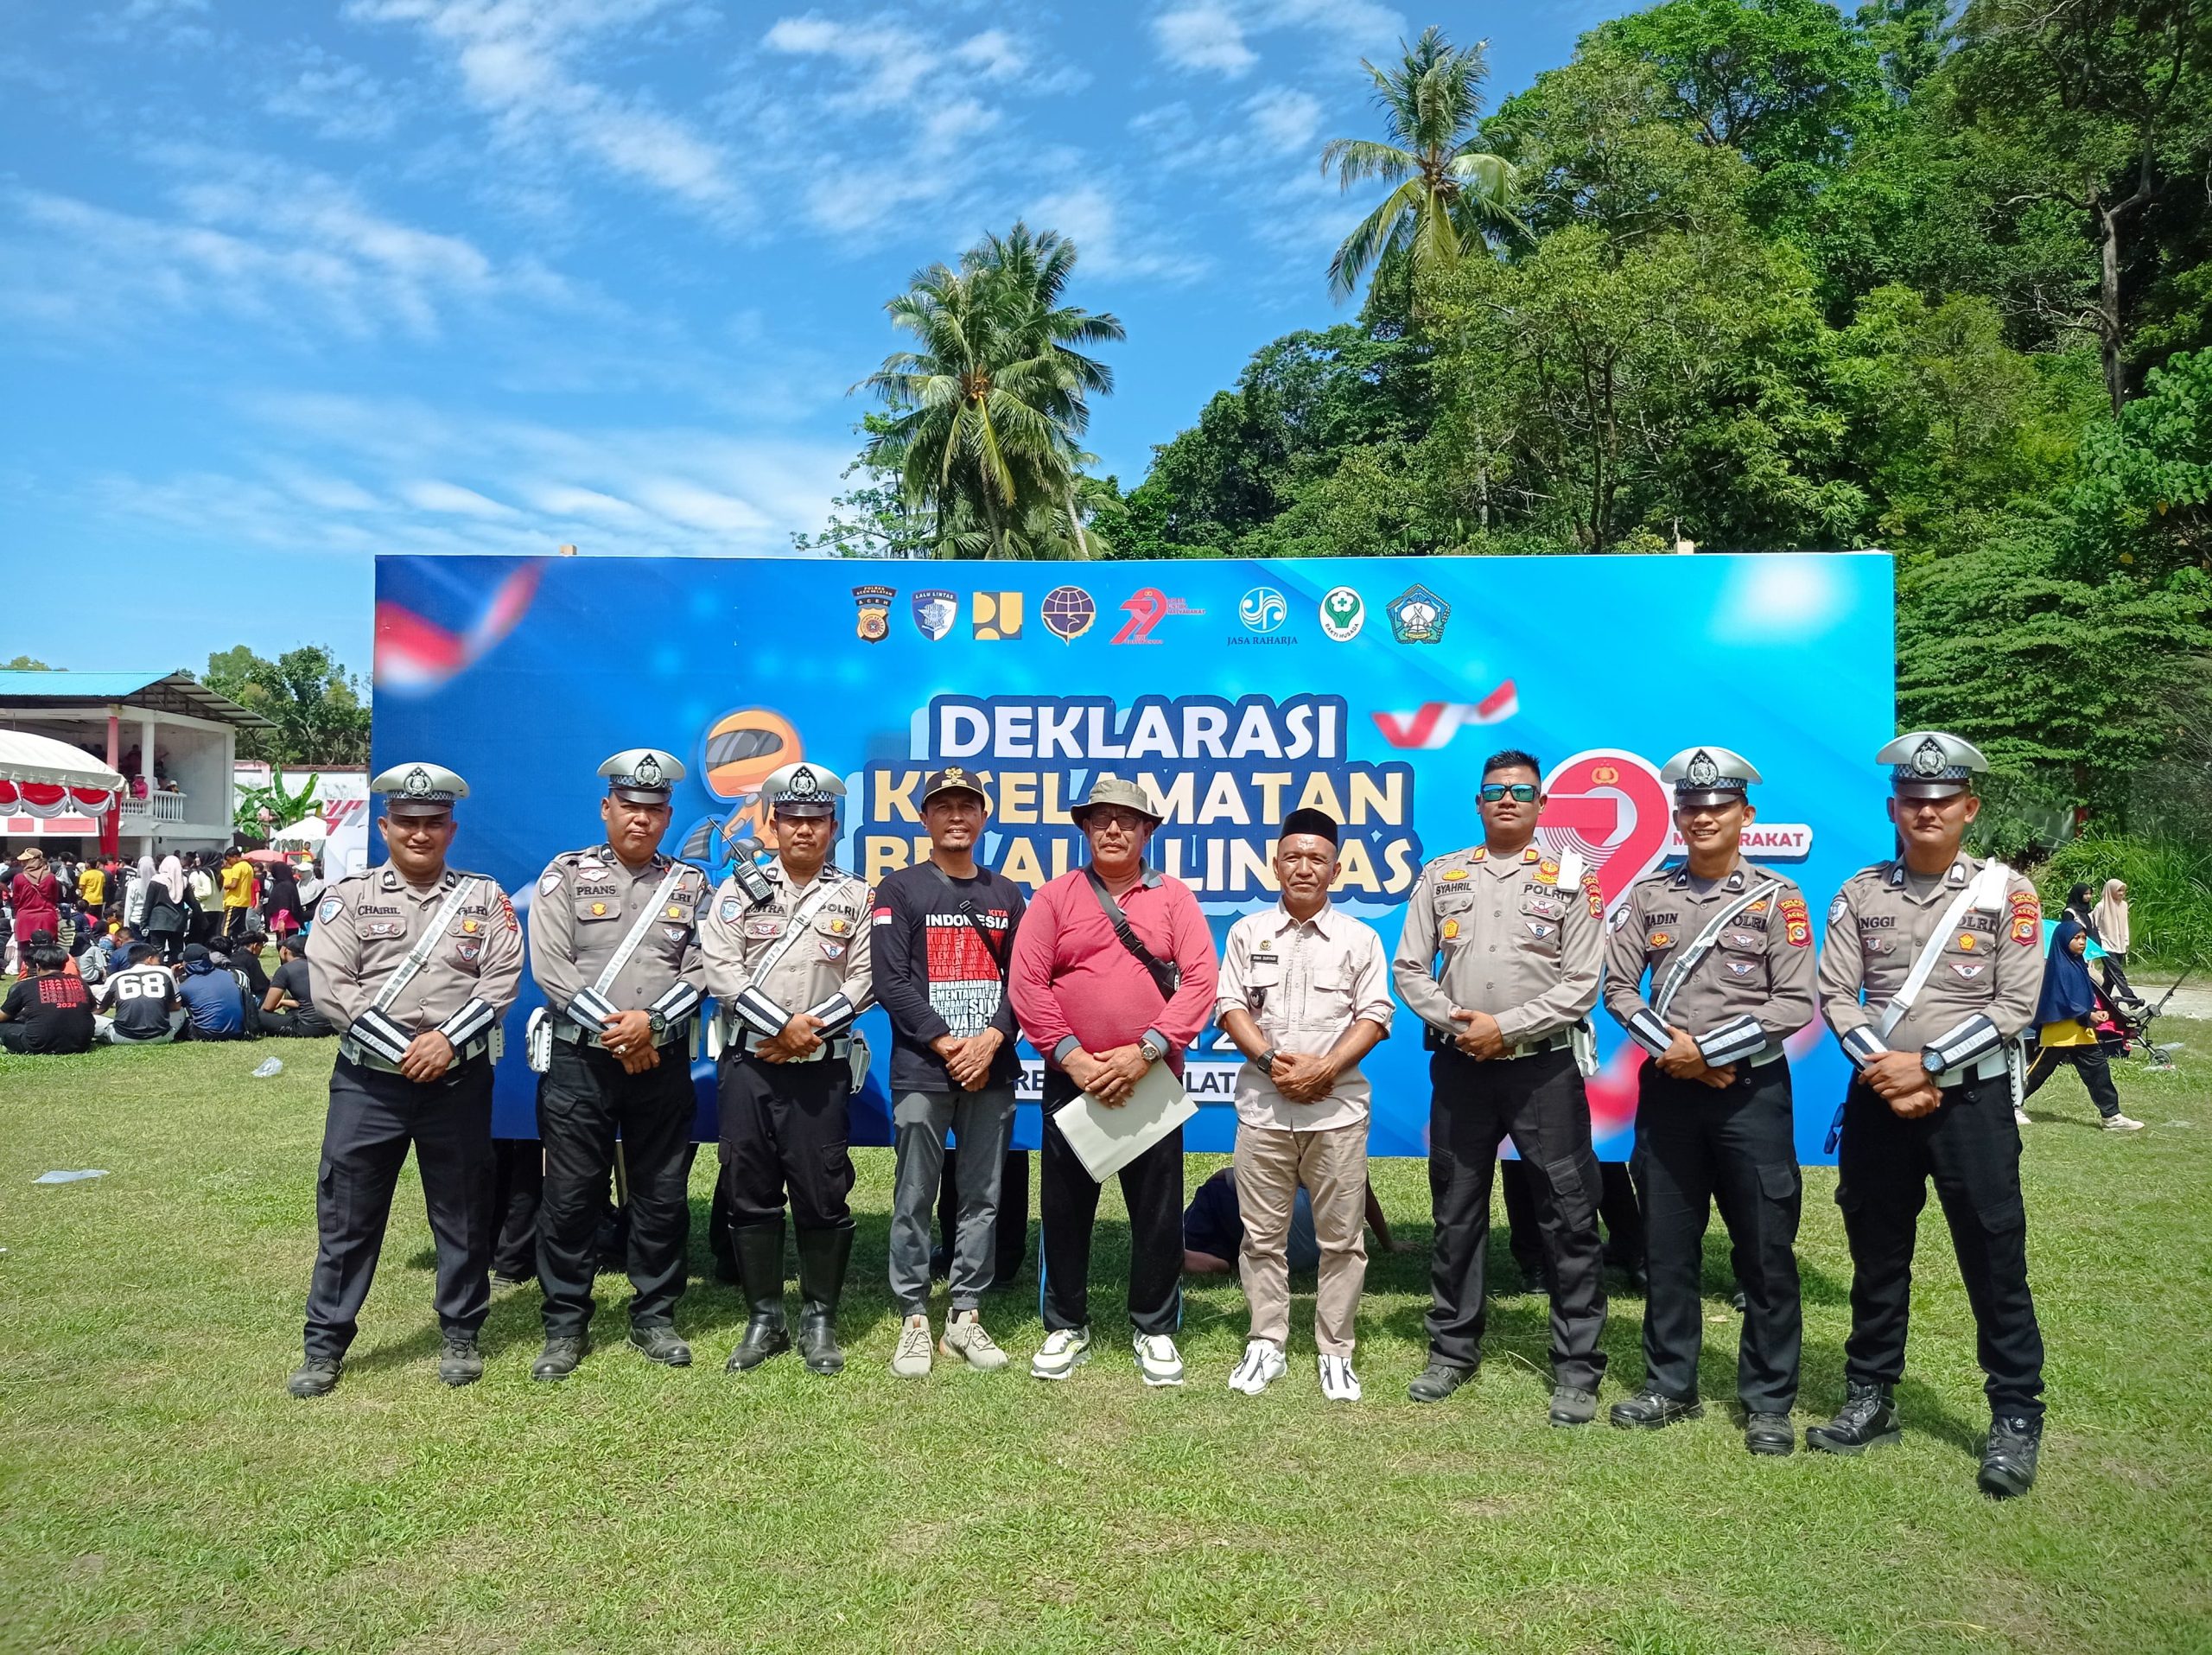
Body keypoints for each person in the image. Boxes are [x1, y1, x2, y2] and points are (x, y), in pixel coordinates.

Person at [1812, 731, 2049, 1497]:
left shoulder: (2006, 894)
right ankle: (1871, 1393)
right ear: (1894, 807)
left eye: (1942, 801)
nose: (1927, 812)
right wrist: (1889, 1071)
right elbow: (1837, 996)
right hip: (1881, 1100)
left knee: (1992, 1256)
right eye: (1913, 801)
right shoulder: (1858, 892)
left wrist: (1929, 1065)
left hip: (1970, 1103)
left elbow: (2014, 1005)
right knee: (1877, 1251)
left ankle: (2014, 1415)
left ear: (1968, 809)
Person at [1600, 746, 1818, 1454]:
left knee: (1764, 1249)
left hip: (1750, 1095)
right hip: (1669, 1093)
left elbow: (1796, 1000)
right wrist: (1677, 1053)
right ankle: (1669, 1383)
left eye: (1718, 808)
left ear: (1745, 815)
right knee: (1667, 1246)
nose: (1703, 818)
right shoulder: (1650, 896)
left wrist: (1710, 1052)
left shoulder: (1777, 898)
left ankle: (1768, 1401)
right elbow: (1617, 987)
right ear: (1676, 816)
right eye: (1691, 808)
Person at [286, 762, 524, 1399]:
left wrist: (445, 1042)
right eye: (408, 823)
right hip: (370, 1085)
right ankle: (324, 1344)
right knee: (348, 1213)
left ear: (451, 827)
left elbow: (500, 980)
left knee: (464, 1211)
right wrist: (407, 1048)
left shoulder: (483, 897)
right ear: (386, 827)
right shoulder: (350, 895)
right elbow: (332, 985)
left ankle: (461, 1331)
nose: (421, 833)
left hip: (456, 1080)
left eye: (433, 822)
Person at [1390, 748, 1610, 1424]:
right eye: (1495, 790)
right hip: (1462, 1067)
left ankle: (1576, 1366)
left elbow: (1582, 983)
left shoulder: (1573, 879)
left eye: (1522, 790)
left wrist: (1506, 1028)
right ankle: (1452, 1349)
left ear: (1543, 805)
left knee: (1568, 1216)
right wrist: (1459, 1025)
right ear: (1478, 803)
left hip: (1541, 1067)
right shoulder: (1443, 874)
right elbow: (1409, 969)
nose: (1508, 799)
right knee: (1456, 1211)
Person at [1007, 776, 1219, 1387]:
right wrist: (1073, 1056)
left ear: (1148, 830)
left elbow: (1201, 981)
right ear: (1085, 828)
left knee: (1155, 1212)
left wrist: (1146, 1050)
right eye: (1101, 819)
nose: (1114, 830)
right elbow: (1028, 984)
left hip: (1149, 1079)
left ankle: (1153, 1327)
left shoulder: (1174, 898)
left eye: (1127, 820)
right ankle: (1065, 1323)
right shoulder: (1056, 897)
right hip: (1074, 1078)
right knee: (1066, 1206)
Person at [524, 748, 710, 1382]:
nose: (641, 819)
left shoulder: (691, 883)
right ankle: (564, 1325)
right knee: (571, 1198)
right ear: (607, 807)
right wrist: (621, 1031)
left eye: (654, 809)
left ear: (668, 815)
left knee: (661, 1195)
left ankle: (655, 1315)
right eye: (629, 806)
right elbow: (551, 967)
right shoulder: (566, 875)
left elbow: (702, 968)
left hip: (661, 1061)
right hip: (582, 1061)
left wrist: (650, 1027)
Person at [698, 760, 876, 1376]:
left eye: (817, 819)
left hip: (820, 1069)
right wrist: (780, 1025)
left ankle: (819, 1318)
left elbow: (868, 978)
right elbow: (721, 968)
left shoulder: (857, 896)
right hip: (751, 1065)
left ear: (833, 825)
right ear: (772, 824)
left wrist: (808, 1030)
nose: (805, 829)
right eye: (793, 819)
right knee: (749, 1190)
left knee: (823, 1193)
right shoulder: (736, 891)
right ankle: (764, 1317)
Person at [1213, 807, 1392, 1401]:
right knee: (1261, 1236)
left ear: (1335, 869)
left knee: (1342, 1239)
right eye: (1293, 856)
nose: (1304, 867)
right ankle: (1266, 1340)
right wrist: (1270, 1062)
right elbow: (1230, 1006)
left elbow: (1375, 1014)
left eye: (1317, 858)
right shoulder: (1247, 932)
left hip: (1336, 1111)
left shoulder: (1359, 938)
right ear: (1276, 864)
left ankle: (1334, 1348)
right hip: (1264, 1110)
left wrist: (1325, 1068)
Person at [870, 766, 1027, 1376]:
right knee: (914, 1194)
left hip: (991, 1069)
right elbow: (891, 981)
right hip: (922, 1070)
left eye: (968, 806)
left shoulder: (1006, 894)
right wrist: (945, 1042)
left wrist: (990, 1039)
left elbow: (1024, 981)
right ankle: (914, 1315)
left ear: (983, 816)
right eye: (944, 806)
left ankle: (965, 1315)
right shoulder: (900, 889)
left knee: (983, 1196)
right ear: (925, 818)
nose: (956, 816)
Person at [2024, 905, 2144, 1131]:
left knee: (2098, 1071)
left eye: (2083, 938)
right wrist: (2086, 1014)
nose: (2082, 942)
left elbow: (2083, 996)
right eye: (2076, 938)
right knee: (2038, 1072)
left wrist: (2095, 1012)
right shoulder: (2057, 968)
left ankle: (2112, 1116)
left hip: (2081, 1030)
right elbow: (2061, 999)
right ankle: (2011, 1104)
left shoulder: (2078, 965)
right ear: (2062, 940)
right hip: (2060, 1031)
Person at [0, 935, 95, 1053]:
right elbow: (92, 1008)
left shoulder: (25, 986)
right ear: (64, 965)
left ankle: (12, 1046)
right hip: (81, 1043)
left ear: (38, 966)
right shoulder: (79, 982)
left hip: (38, 1044)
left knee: (4, 1026)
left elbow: (2, 1016)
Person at [96, 941, 186, 1043]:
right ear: (150, 959)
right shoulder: (165, 971)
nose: (159, 962)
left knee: (94, 1020)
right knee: (181, 1010)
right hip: (161, 1037)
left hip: (123, 1038)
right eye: (158, 959)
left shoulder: (115, 977)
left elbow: (99, 1008)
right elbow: (176, 1006)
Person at [260, 934, 334, 1037]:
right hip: (333, 1025)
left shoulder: (285, 970)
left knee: (257, 1015)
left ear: (285, 950)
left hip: (309, 1027)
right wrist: (283, 1002)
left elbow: (268, 1007)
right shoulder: (321, 966)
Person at [173, 942, 248, 1040]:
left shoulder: (186, 987)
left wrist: (173, 977)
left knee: (179, 1022)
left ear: (187, 964)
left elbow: (173, 1005)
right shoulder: (228, 976)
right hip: (238, 1032)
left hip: (208, 1033)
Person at [9, 848, 62, 965]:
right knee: (48, 949)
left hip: (25, 917)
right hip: (47, 916)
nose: (22, 863)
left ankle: (28, 971)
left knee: (25, 949)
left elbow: (16, 900)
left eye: (25, 860)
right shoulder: (51, 877)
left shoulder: (19, 878)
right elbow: (54, 898)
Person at [2091, 878, 2133, 997]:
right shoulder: (2101, 906)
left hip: (2119, 944)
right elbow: (2093, 924)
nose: (2121, 894)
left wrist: (2126, 941)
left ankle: (2103, 999)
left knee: (2109, 977)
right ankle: (2129, 997)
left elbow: (2124, 925)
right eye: (2119, 890)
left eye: (2123, 891)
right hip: (2106, 944)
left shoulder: (2123, 905)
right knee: (2116, 971)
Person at [219, 848, 254, 940]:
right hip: (245, 900)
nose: (228, 862)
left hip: (234, 901)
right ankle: (241, 947)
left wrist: (223, 886)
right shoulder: (248, 866)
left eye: (229, 859)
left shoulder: (237, 867)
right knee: (240, 928)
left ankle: (224, 946)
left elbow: (234, 885)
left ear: (235, 857)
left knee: (226, 928)